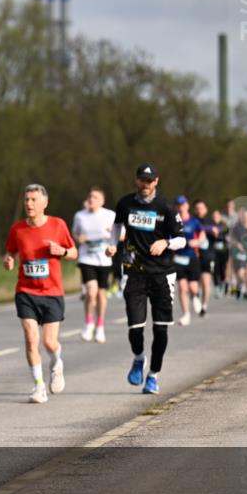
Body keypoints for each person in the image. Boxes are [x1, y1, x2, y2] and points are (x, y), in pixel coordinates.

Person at [106, 163, 186, 395]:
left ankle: (153, 376)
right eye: (142, 180)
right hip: (134, 272)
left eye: (149, 181)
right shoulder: (125, 204)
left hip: (162, 273)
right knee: (135, 327)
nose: (145, 184)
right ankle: (139, 358)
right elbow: (117, 226)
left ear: (156, 182)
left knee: (160, 330)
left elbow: (182, 239)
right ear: (136, 180)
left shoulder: (167, 207)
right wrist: (112, 245)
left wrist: (166, 243)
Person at [4, 184, 77, 404]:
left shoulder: (58, 224)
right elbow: (10, 251)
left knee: (49, 342)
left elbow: (74, 252)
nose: (29, 204)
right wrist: (8, 259)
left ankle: (56, 364)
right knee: (31, 339)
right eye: (27, 199)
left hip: (52, 292)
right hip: (26, 291)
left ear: (44, 203)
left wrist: (62, 251)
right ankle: (38, 387)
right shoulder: (17, 229)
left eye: (34, 200)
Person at [71, 187, 116, 343]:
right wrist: (79, 238)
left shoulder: (110, 215)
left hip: (104, 259)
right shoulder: (80, 216)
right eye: (90, 196)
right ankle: (89, 323)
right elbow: (74, 233)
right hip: (86, 258)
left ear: (102, 201)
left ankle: (100, 326)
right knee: (91, 292)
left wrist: (113, 233)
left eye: (95, 197)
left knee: (101, 295)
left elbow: (122, 234)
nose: (91, 199)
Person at [173, 196, 205, 325]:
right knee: (182, 287)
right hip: (178, 258)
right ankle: (186, 314)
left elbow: (202, 235)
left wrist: (196, 242)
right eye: (178, 205)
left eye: (182, 204)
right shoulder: (174, 221)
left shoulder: (194, 221)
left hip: (192, 257)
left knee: (192, 287)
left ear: (187, 206)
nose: (180, 207)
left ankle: (196, 296)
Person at [193, 200, 217, 315]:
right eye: (197, 208)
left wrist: (216, 232)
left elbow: (219, 233)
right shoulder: (192, 221)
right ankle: (196, 298)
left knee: (206, 282)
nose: (199, 210)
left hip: (207, 256)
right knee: (195, 283)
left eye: (201, 208)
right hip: (194, 255)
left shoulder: (211, 222)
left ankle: (204, 306)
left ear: (206, 209)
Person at [230, 208, 247, 300]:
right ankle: (239, 285)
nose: (245, 218)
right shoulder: (237, 227)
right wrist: (238, 245)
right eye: (243, 216)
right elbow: (232, 239)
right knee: (241, 273)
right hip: (239, 253)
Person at [209, 208, 231, 298]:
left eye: (217, 216)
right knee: (214, 270)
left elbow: (226, 235)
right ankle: (217, 287)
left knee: (222, 270)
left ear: (220, 217)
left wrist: (218, 235)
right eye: (214, 216)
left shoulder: (224, 226)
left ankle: (222, 284)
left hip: (224, 252)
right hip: (213, 252)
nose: (215, 217)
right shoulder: (210, 226)